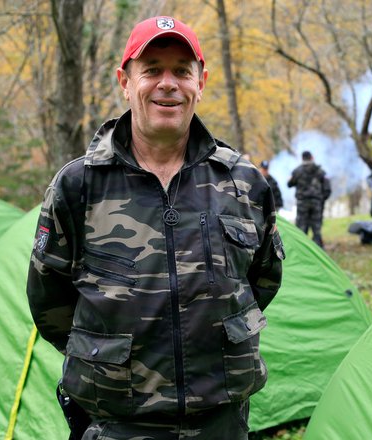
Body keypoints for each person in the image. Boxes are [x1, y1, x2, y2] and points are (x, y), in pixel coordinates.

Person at [26, 16, 284, 440]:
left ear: (201, 83)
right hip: (116, 423)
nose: (169, 83)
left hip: (220, 420)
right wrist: (110, 360)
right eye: (152, 70)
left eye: (182, 70)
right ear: (125, 81)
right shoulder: (78, 185)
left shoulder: (243, 182)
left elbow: (263, 281)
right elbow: (49, 300)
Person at [287, 151, 330, 247]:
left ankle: (302, 251)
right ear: (312, 158)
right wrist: (321, 200)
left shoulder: (297, 171)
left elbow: (289, 184)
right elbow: (327, 189)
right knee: (316, 229)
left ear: (302, 159)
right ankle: (319, 253)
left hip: (302, 204)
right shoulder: (320, 171)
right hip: (316, 203)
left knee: (301, 230)